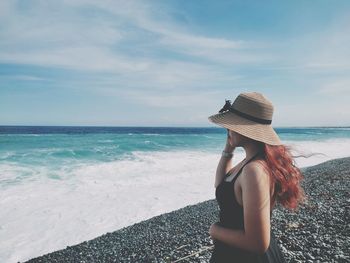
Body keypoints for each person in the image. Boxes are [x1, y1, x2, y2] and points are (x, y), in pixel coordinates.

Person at [207, 92, 305, 263]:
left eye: (232, 125)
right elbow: (220, 184)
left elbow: (258, 243)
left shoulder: (254, 170)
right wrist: (228, 149)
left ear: (246, 129)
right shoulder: (252, 162)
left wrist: (215, 230)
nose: (228, 129)